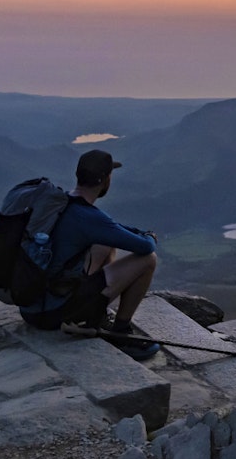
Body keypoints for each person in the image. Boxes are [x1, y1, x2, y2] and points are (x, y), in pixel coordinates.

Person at [18, 149, 161, 360]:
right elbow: (145, 248)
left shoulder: (61, 202)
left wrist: (135, 232)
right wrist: (150, 237)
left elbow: (112, 229)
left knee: (105, 244)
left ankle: (97, 313)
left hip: (31, 307)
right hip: (54, 314)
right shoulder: (89, 217)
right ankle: (120, 331)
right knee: (148, 261)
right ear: (105, 180)